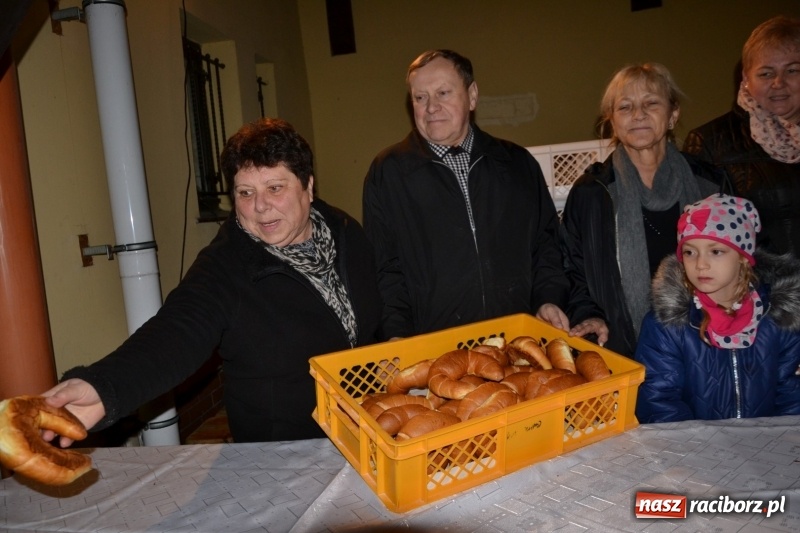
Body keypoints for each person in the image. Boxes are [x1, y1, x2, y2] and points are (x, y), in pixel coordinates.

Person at [40, 118, 382, 444]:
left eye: (275, 187)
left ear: (307, 186)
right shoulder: (226, 265)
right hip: (285, 447)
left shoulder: (343, 230)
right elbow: (177, 330)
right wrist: (105, 387)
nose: (260, 206)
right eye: (245, 193)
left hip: (365, 424)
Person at [362, 49, 594, 341]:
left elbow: (546, 246)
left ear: (472, 96)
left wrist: (547, 299)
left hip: (518, 342)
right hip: (434, 353)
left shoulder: (517, 164)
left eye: (443, 93)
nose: (431, 107)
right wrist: (396, 332)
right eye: (420, 98)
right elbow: (385, 269)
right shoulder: (388, 173)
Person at [560, 63, 730, 357]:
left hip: (709, 345)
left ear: (673, 114)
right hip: (623, 348)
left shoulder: (711, 185)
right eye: (625, 107)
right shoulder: (591, 193)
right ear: (612, 120)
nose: (638, 114)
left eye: (651, 103)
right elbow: (571, 268)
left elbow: (744, 261)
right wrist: (588, 313)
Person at [635, 194, 800, 423]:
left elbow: (791, 395)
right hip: (695, 451)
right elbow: (658, 401)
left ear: (743, 257)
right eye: (690, 252)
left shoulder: (780, 318)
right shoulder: (667, 325)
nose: (700, 264)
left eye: (716, 251)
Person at [684, 15, 800, 255]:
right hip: (762, 290)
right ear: (746, 79)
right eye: (766, 74)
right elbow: (703, 245)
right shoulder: (709, 143)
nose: (779, 82)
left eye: (792, 70)